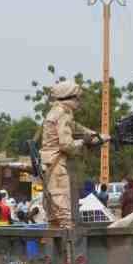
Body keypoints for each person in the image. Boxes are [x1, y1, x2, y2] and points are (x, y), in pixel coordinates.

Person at [40, 81, 109, 228]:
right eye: (77, 98)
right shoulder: (61, 114)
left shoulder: (58, 112)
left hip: (50, 165)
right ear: (69, 98)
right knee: (64, 217)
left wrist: (96, 135)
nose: (79, 102)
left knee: (54, 217)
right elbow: (67, 145)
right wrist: (83, 142)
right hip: (57, 166)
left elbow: (76, 128)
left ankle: (56, 248)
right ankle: (68, 248)